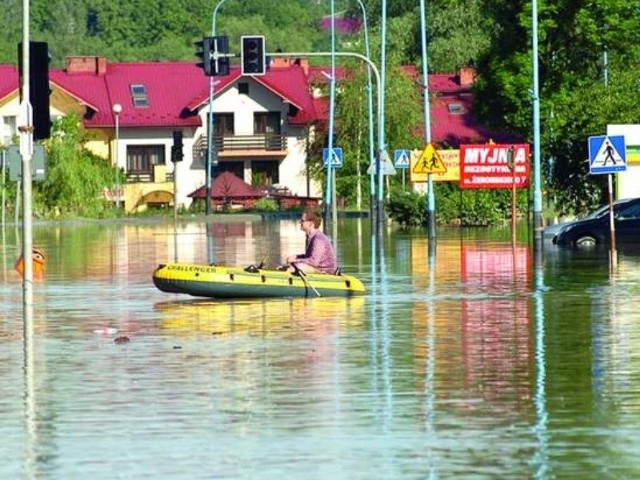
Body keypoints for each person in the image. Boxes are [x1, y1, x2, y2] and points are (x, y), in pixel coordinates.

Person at [284, 207, 337, 274]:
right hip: (317, 268)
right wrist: (296, 256)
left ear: (310, 223)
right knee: (286, 267)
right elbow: (309, 257)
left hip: (326, 272)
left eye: (302, 220)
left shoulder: (318, 239)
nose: (300, 222)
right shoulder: (310, 237)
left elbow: (313, 262)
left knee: (299, 266)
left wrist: (295, 260)